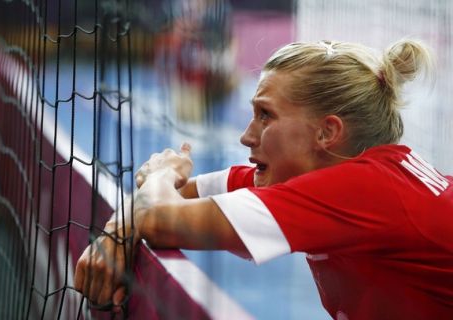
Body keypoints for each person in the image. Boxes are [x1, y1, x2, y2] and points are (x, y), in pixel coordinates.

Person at [74, 39, 453, 319]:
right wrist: (115, 233)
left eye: (265, 115)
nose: (247, 135)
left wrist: (159, 173)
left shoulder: (365, 190)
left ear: (327, 133)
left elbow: (159, 216)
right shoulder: (329, 178)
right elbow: (165, 199)